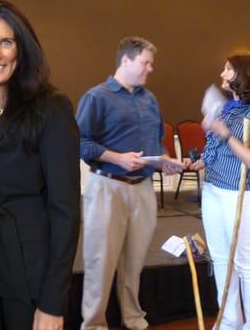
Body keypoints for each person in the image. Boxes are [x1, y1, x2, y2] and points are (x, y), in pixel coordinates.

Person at [0, 0, 81, 330]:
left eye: (6, 42)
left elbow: (65, 211)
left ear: (21, 49)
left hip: (30, 272)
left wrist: (53, 302)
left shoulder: (51, 109)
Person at [76, 36, 182, 330]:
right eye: (146, 62)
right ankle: (94, 324)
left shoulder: (150, 99)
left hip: (143, 189)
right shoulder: (96, 97)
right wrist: (117, 158)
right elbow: (80, 142)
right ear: (126, 60)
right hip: (108, 188)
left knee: (134, 262)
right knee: (100, 262)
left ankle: (133, 318)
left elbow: (157, 143)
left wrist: (165, 160)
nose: (151, 68)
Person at [190, 53, 250, 330]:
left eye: (228, 69)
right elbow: (213, 151)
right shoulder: (225, 108)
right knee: (222, 258)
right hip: (213, 190)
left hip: (239, 195)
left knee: (246, 264)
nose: (222, 73)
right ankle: (230, 320)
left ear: (242, 75)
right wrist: (196, 162)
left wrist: (226, 133)